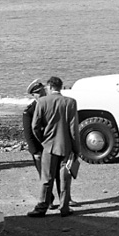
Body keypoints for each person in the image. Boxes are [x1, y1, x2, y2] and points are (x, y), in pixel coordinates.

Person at [27, 76, 81, 218]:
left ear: (49, 87)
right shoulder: (70, 102)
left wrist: (43, 140)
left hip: (49, 146)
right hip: (66, 146)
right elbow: (73, 129)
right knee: (65, 178)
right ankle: (64, 207)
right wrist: (76, 149)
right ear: (60, 87)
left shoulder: (42, 102)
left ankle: (42, 207)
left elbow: (35, 126)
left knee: (47, 178)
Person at [22, 80, 61, 209]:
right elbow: (28, 133)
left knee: (58, 174)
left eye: (43, 91)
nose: (42, 94)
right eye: (38, 93)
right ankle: (48, 200)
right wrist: (35, 151)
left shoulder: (50, 105)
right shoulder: (29, 111)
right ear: (33, 95)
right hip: (40, 148)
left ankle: (64, 199)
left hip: (53, 145)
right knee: (45, 176)